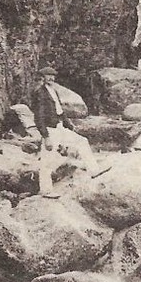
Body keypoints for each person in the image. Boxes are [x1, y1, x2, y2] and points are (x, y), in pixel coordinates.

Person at [32, 65, 106, 197]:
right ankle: (46, 190)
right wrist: (46, 136)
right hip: (50, 129)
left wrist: (69, 125)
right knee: (46, 160)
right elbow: (39, 117)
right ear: (42, 77)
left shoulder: (53, 91)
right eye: (48, 75)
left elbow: (59, 111)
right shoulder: (40, 92)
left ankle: (94, 170)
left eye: (53, 75)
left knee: (82, 141)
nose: (51, 78)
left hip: (60, 126)